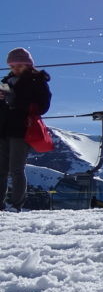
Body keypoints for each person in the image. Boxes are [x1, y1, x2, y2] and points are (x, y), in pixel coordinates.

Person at [0, 48, 51, 212]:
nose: (15, 69)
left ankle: (16, 205)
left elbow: (42, 106)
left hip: (22, 130)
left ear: (28, 65)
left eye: (19, 65)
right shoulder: (6, 81)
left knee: (16, 169)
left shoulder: (37, 81)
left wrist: (15, 101)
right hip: (3, 129)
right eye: (13, 66)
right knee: (2, 170)